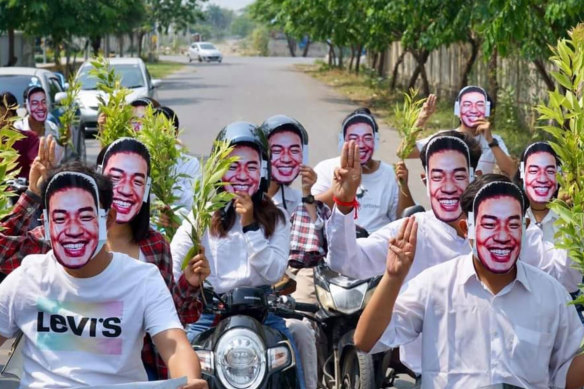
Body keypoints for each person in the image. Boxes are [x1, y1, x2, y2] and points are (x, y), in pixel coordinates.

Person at [0, 137, 205, 380]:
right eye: (60, 218)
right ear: (46, 223)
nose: (73, 229)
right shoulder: (28, 276)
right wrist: (32, 195)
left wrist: (189, 378)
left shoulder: (143, 278)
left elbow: (174, 344)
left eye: (86, 216)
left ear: (107, 219)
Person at [354, 176, 584, 388]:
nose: (502, 237)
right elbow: (366, 340)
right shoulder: (435, 285)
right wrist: (393, 278)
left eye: (513, 225)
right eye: (490, 224)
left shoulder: (551, 295)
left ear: (525, 228)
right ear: (466, 228)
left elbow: (568, 378)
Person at [325, 131, 481, 374]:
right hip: (425, 375)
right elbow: (346, 261)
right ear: (425, 180)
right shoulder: (411, 231)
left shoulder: (495, 235)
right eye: (438, 176)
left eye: (458, 176)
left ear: (474, 178)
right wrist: (344, 204)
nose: (448, 187)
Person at [171, 121, 307, 389]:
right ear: (218, 171)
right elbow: (175, 266)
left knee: (291, 367)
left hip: (264, 315)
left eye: (252, 166)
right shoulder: (201, 215)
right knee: (182, 373)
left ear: (263, 172)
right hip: (210, 315)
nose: (242, 174)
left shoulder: (276, 218)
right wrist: (189, 281)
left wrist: (250, 227)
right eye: (233, 166)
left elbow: (273, 272)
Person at [260, 114, 320, 389]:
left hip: (289, 283)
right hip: (244, 293)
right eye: (276, 150)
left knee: (302, 329)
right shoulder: (232, 200)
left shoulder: (298, 199)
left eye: (293, 150)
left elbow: (316, 236)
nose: (285, 158)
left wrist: (308, 192)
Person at [312, 107, 414, 233]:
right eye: (353, 138)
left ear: (376, 140)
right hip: (337, 245)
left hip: (378, 247)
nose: (360, 145)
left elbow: (406, 221)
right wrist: (339, 189)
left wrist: (403, 186)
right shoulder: (326, 169)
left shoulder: (390, 174)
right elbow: (311, 214)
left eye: (367, 138)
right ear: (343, 140)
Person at [514, 142, 582, 301]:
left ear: (560, 177)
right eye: (533, 171)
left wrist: (568, 216)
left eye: (550, 171)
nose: (542, 178)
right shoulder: (511, 214)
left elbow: (570, 280)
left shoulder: (573, 218)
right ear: (522, 173)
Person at [406, 86, 516, 177]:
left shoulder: (494, 141)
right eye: (467, 105)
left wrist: (491, 141)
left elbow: (512, 172)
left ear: (487, 111)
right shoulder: (445, 137)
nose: (473, 110)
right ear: (458, 109)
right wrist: (420, 120)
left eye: (480, 105)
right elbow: (404, 152)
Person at [154, 106, 201, 226]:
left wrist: (169, 179)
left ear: (174, 133)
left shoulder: (190, 163)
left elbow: (195, 203)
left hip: (180, 228)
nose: (158, 135)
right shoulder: (144, 163)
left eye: (163, 130)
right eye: (154, 129)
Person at [14, 85, 64, 163]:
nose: (40, 107)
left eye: (43, 102)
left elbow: (57, 162)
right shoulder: (18, 128)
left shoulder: (52, 128)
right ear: (25, 106)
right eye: (34, 103)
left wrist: (62, 143)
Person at [0, 91, 39, 179]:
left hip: (21, 190)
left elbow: (36, 164)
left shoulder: (29, 139)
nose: (2, 121)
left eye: (6, 116)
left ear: (15, 116)